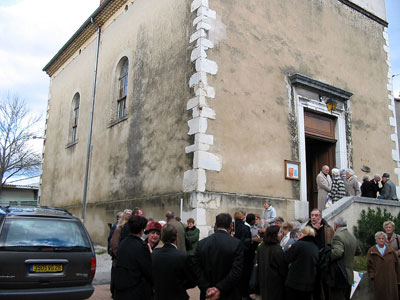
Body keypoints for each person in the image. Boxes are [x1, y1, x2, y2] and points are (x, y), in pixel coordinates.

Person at [193, 213, 244, 300]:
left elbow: (196, 269)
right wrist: (218, 289)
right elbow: (236, 271)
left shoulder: (202, 243)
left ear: (215, 225)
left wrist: (207, 288)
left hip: (209, 294)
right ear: (231, 226)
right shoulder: (236, 244)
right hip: (228, 293)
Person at [152, 224, 196, 300]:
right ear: (176, 237)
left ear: (161, 237)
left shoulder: (153, 254)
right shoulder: (183, 257)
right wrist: (180, 286)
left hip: (159, 296)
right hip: (178, 295)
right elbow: (192, 281)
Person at [114, 215, 152, 300]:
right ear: (142, 230)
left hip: (121, 288)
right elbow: (147, 270)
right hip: (135, 289)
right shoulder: (141, 246)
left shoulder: (123, 243)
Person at [284, 226, 319, 300]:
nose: (298, 235)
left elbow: (287, 258)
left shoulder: (299, 244)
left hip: (295, 282)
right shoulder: (315, 247)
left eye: (301, 233)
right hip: (309, 283)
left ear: (305, 234)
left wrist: (290, 249)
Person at [330, 217, 361, 300]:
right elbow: (358, 251)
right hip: (350, 275)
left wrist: (327, 257)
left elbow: (337, 252)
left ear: (335, 226)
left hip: (339, 275)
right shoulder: (352, 237)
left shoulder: (337, 236)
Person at [306, 208, 334, 300]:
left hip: (324, 262)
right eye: (312, 215)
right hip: (311, 262)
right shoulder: (306, 229)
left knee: (325, 286)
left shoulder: (328, 229)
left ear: (320, 217)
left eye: (316, 215)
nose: (314, 217)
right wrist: (314, 231)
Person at [257, 225, 288, 300]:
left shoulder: (261, 247)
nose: (282, 234)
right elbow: (282, 268)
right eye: (280, 232)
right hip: (275, 282)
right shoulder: (277, 249)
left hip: (263, 280)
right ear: (274, 235)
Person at [367, 231, 400, 300]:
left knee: (391, 295)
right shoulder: (372, 251)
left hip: (391, 278)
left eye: (383, 238)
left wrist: (397, 278)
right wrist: (372, 275)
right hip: (378, 278)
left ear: (385, 240)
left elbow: (397, 264)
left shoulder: (391, 251)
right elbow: (369, 265)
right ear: (376, 240)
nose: (381, 240)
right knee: (380, 295)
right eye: (379, 238)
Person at [234, 211, 253, 300]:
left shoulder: (233, 226)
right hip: (244, 257)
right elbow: (245, 244)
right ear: (243, 217)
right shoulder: (245, 228)